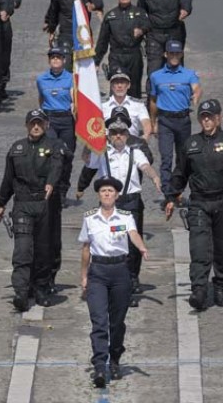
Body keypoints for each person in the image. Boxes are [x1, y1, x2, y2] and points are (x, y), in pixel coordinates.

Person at [165, 99, 223, 310]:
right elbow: (179, 173)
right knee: (199, 248)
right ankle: (198, 290)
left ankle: (221, 285)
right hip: (199, 202)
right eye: (203, 117)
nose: (207, 120)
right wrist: (171, 198)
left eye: (210, 117)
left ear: (219, 118)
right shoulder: (190, 144)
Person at [76, 108, 161, 302]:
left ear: (127, 134)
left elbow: (145, 166)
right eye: (114, 133)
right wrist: (81, 186)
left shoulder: (135, 151)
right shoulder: (102, 153)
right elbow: (88, 164)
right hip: (109, 203)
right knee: (109, 242)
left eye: (122, 132)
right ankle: (105, 283)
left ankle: (129, 284)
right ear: (109, 135)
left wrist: (155, 177)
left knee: (130, 245)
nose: (118, 136)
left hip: (131, 202)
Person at [79, 176, 149, 388]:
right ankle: (100, 365)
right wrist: (84, 276)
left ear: (117, 195)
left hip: (120, 272)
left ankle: (115, 358)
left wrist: (142, 247)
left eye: (110, 191)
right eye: (103, 191)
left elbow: (133, 233)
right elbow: (85, 249)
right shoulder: (90, 218)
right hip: (98, 272)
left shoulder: (125, 217)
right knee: (99, 320)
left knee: (116, 323)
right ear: (99, 195)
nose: (107, 194)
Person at [0, 109, 65, 311]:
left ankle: (41, 288)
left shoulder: (54, 146)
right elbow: (8, 178)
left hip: (44, 203)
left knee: (44, 250)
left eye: (40, 123)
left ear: (46, 125)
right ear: (27, 125)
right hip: (22, 204)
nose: (36, 127)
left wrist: (51, 183)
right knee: (23, 250)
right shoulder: (16, 148)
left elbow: (57, 166)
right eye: (32, 123)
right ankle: (21, 291)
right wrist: (1, 204)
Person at [148, 40, 201, 198]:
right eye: (171, 53)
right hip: (165, 121)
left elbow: (197, 88)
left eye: (177, 53)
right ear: (165, 54)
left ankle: (178, 188)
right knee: (166, 157)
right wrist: (153, 122)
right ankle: (167, 191)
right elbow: (153, 100)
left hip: (183, 120)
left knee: (183, 157)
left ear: (181, 54)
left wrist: (196, 95)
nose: (174, 56)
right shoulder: (156, 76)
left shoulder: (189, 74)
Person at [138, 0, 192, 95]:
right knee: (154, 70)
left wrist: (184, 11)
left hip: (174, 34)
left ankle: (179, 97)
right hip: (154, 36)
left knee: (175, 67)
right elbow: (141, 14)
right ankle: (152, 101)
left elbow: (187, 4)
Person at [43, 0, 103, 67]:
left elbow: (99, 2)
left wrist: (92, 6)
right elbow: (53, 11)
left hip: (82, 35)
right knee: (66, 63)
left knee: (83, 66)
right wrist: (51, 29)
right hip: (65, 33)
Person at [94, 0, 149, 99]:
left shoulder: (140, 13)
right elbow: (102, 41)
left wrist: (141, 30)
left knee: (134, 90)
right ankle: (115, 114)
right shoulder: (110, 16)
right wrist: (96, 62)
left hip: (134, 56)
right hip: (116, 56)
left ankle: (133, 115)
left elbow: (149, 26)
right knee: (117, 86)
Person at [37, 47, 76, 206]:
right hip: (50, 119)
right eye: (52, 57)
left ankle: (62, 190)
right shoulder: (41, 79)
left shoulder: (71, 78)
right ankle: (49, 188)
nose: (55, 60)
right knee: (52, 155)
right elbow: (41, 99)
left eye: (58, 57)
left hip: (66, 119)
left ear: (64, 60)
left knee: (67, 155)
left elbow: (75, 99)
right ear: (49, 61)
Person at [101, 71, 152, 142]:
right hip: (109, 146)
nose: (119, 86)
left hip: (132, 145)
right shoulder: (102, 105)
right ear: (112, 86)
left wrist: (142, 141)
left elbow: (146, 125)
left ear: (128, 85)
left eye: (122, 82)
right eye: (116, 83)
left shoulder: (138, 104)